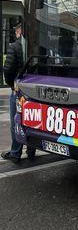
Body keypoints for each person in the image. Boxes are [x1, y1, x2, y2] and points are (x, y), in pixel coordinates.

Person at [1, 23, 34, 163]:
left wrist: (11, 84)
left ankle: (15, 152)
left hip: (18, 88)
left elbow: (8, 70)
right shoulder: (35, 47)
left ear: (18, 32)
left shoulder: (14, 46)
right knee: (32, 120)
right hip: (33, 90)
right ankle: (31, 150)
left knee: (16, 121)